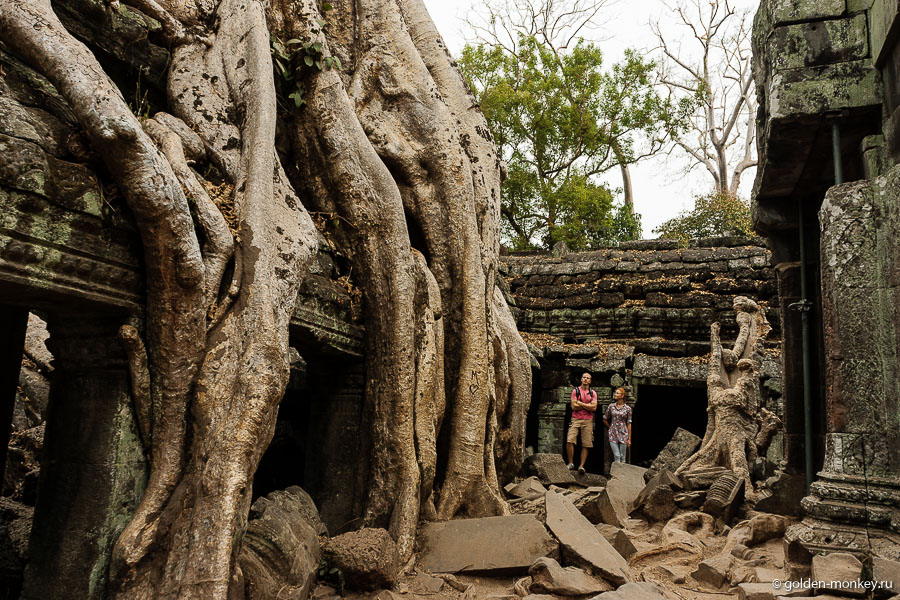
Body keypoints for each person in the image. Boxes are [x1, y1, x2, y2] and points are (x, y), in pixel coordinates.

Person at [566, 372, 597, 474]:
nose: (585, 379)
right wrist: (587, 405)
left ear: (590, 381)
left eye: (587, 378)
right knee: (570, 440)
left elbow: (594, 408)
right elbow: (574, 406)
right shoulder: (576, 391)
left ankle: (581, 466)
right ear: (581, 379)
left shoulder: (593, 393)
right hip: (576, 418)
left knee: (586, 443)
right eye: (584, 377)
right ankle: (571, 463)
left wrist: (580, 403)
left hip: (588, 420)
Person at [603, 387, 632, 464]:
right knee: (617, 456)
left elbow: (629, 423)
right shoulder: (611, 406)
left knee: (623, 457)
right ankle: (616, 475)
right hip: (613, 433)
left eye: (617, 393)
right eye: (615, 393)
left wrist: (629, 438)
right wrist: (610, 428)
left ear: (622, 396)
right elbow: (604, 419)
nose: (615, 394)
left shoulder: (628, 408)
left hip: (623, 433)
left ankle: (622, 475)